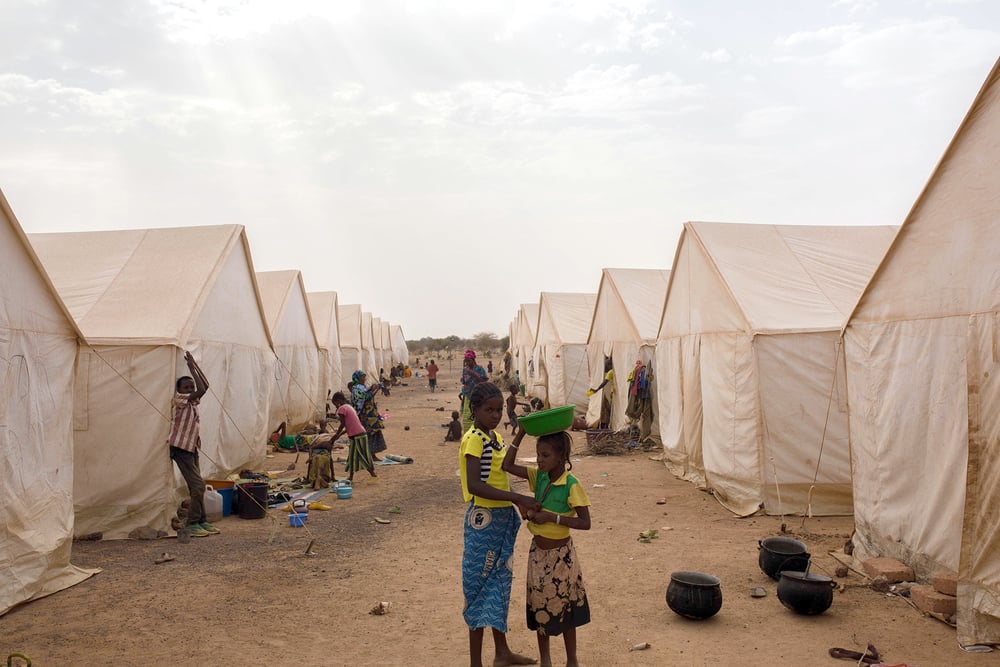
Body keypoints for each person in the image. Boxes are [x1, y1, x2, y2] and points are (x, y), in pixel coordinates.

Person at [459, 381, 540, 667]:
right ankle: (475, 663)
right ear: (475, 410)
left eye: (498, 410)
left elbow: (504, 468)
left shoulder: (494, 438)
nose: (495, 415)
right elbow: (474, 484)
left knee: (498, 585)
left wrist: (520, 433)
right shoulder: (474, 439)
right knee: (478, 587)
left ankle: (502, 652)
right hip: (484, 522)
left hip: (501, 520)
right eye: (488, 410)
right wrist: (516, 497)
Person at [502, 428, 591, 667]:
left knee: (568, 610)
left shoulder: (571, 484)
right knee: (540, 607)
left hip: (562, 557)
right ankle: (546, 660)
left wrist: (553, 518)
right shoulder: (539, 477)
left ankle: (572, 659)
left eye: (545, 455)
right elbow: (507, 465)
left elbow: (585, 522)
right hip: (538, 555)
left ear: (561, 457)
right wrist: (520, 434)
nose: (539, 460)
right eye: (538, 455)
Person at [167, 351, 219, 538]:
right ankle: (192, 522)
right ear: (179, 390)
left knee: (196, 487)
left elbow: (205, 386)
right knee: (198, 486)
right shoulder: (179, 400)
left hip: (191, 448)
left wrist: (195, 365)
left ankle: (201, 520)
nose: (189, 390)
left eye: (191, 387)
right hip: (181, 449)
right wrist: (190, 367)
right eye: (186, 387)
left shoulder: (192, 403)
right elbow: (202, 390)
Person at [329, 391, 378, 484]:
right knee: (352, 456)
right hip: (360, 434)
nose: (335, 406)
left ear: (338, 401)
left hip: (357, 436)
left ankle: (373, 475)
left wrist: (336, 435)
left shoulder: (341, 409)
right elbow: (350, 424)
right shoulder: (349, 407)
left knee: (361, 456)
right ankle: (351, 477)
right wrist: (340, 434)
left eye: (334, 403)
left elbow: (343, 424)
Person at [350, 370, 388, 461]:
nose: (364, 378)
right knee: (368, 434)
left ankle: (371, 455)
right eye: (362, 377)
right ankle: (368, 455)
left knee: (373, 433)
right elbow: (365, 398)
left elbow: (366, 394)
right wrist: (375, 390)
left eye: (364, 376)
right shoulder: (357, 388)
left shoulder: (361, 387)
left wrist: (372, 388)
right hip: (365, 416)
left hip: (370, 415)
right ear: (358, 378)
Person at [460, 349, 488, 434]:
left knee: (477, 417)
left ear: (473, 360)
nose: (467, 363)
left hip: (478, 397)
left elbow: (484, 381)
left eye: (469, 361)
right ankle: (468, 437)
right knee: (466, 419)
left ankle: (477, 436)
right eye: (466, 361)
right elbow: (464, 382)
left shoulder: (480, 369)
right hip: (467, 396)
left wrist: (474, 375)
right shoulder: (465, 369)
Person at [587, 358, 615, 429]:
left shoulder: (610, 372)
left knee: (611, 409)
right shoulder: (615, 371)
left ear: (610, 365)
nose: (606, 368)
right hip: (614, 393)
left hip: (613, 393)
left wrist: (596, 389)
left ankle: (609, 425)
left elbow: (604, 383)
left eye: (607, 365)